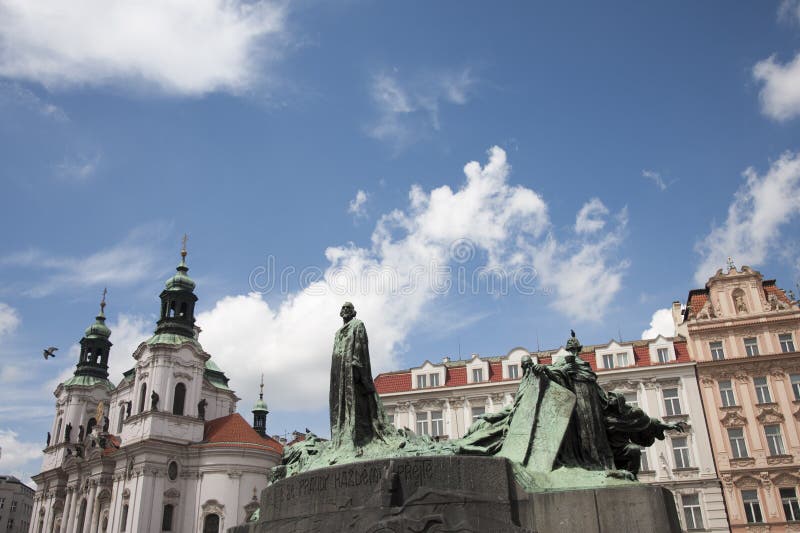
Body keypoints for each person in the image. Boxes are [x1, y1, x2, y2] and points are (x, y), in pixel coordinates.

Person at [329, 302, 389, 449]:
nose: (344, 310)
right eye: (342, 308)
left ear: (353, 312)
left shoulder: (357, 325)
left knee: (353, 400)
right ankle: (341, 435)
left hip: (351, 366)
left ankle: (355, 435)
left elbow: (360, 345)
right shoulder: (338, 333)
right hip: (338, 368)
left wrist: (356, 363)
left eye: (348, 308)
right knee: (338, 401)